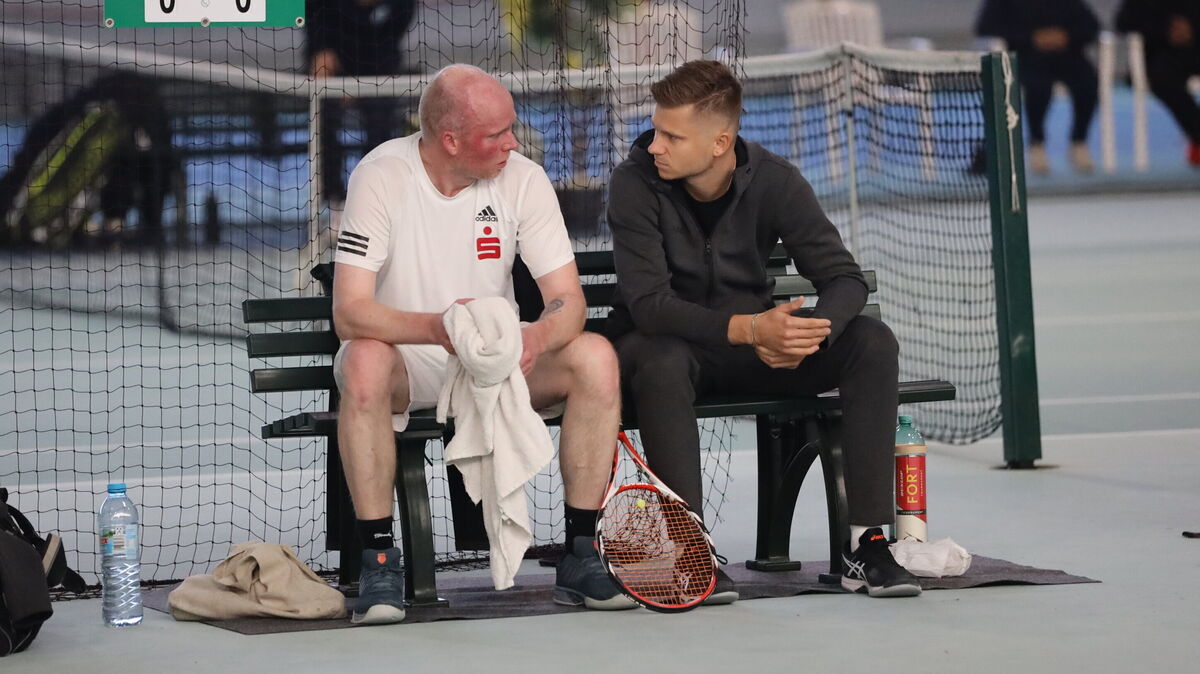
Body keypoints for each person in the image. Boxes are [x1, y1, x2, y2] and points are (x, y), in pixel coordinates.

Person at [606, 60, 922, 602]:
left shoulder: (776, 181)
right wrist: (751, 329)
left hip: (754, 353)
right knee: (660, 359)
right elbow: (649, 305)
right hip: (667, 353)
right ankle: (691, 552)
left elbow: (844, 280)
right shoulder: (633, 184)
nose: (654, 145)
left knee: (872, 340)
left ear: (719, 142)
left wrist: (808, 337)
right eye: (656, 131)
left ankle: (865, 545)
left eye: (671, 136)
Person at [331, 64, 634, 624]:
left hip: (498, 366)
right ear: (450, 141)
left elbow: (569, 300)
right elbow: (350, 311)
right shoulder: (381, 175)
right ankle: (377, 559)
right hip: (411, 362)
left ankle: (582, 553)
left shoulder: (522, 177)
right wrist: (436, 330)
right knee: (364, 362)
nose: (512, 143)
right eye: (497, 134)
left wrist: (537, 336)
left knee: (594, 356)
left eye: (511, 129)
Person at [305, 0, 418, 205]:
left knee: (381, 127)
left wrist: (356, 79)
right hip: (332, 58)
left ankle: (375, 198)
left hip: (378, 64)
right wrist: (322, 50)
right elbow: (314, 15)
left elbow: (390, 36)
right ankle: (334, 202)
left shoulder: (399, 8)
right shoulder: (325, 10)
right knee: (324, 122)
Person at [975, 0, 1101, 175]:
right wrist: (1031, 38)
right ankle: (1036, 144)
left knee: (1087, 85)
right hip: (1024, 56)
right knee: (1039, 88)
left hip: (1068, 56)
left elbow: (1091, 26)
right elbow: (986, 27)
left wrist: (1066, 36)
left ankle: (1079, 142)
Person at [1117, 0, 1200, 167]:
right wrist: (1166, 29)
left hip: (1195, 47)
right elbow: (1124, 21)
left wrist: (1191, 29)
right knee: (1163, 78)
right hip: (1161, 53)